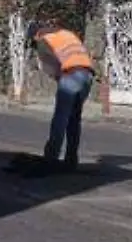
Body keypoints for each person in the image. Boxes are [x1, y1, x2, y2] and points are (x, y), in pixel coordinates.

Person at [32, 21, 96, 170]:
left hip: (71, 75)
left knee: (60, 118)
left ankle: (51, 158)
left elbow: (51, 68)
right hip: (87, 75)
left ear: (36, 35)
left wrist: (59, 79)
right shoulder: (67, 34)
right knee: (74, 119)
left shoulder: (43, 40)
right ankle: (71, 160)